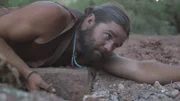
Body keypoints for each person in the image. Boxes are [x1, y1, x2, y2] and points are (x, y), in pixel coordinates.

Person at [0, 1, 180, 93]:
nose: (110, 47)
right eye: (108, 36)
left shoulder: (92, 52)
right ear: (90, 20)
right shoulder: (52, 16)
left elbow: (138, 68)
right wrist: (28, 73)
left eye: (116, 45)